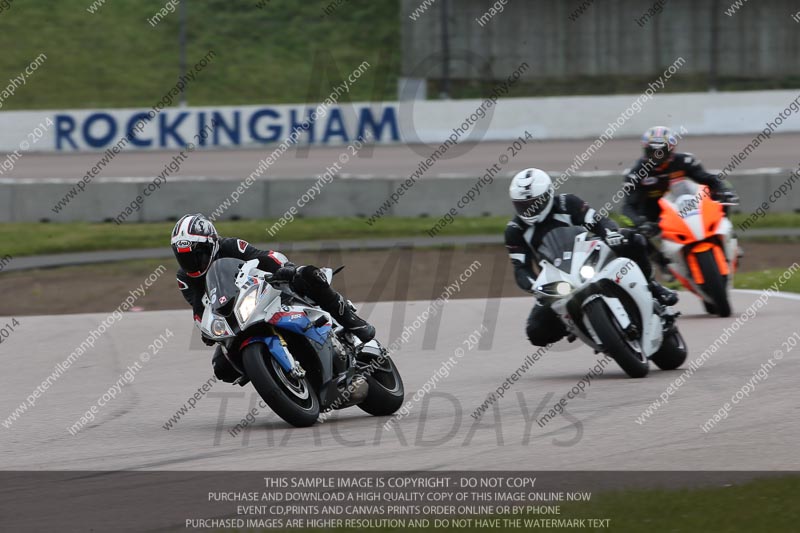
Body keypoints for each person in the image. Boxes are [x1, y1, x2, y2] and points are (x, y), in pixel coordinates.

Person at [170, 213, 375, 382]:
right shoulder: (184, 279)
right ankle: (270, 372)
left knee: (308, 274)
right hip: (235, 316)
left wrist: (284, 269)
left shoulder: (230, 246)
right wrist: (205, 328)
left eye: (197, 254)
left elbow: (263, 256)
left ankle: (352, 321)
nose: (192, 262)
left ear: (211, 244)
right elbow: (199, 308)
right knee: (222, 368)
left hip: (266, 290)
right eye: (184, 257)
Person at [505, 168, 678, 347]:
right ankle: (572, 324)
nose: (529, 209)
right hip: (558, 281)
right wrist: (535, 287)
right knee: (535, 332)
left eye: (534, 203)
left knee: (633, 240)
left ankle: (653, 287)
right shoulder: (514, 231)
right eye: (522, 205)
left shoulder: (567, 203)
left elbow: (599, 221)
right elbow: (521, 268)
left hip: (589, 257)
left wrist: (611, 233)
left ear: (548, 194)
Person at [622, 126, 740, 270]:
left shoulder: (685, 160)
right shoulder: (635, 173)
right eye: (652, 151)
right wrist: (640, 223)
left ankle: (729, 236)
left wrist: (724, 190)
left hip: (683, 204)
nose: (657, 156)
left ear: (671, 149)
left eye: (661, 151)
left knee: (720, 193)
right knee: (633, 234)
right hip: (654, 213)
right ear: (645, 150)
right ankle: (662, 264)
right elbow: (627, 207)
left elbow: (710, 179)